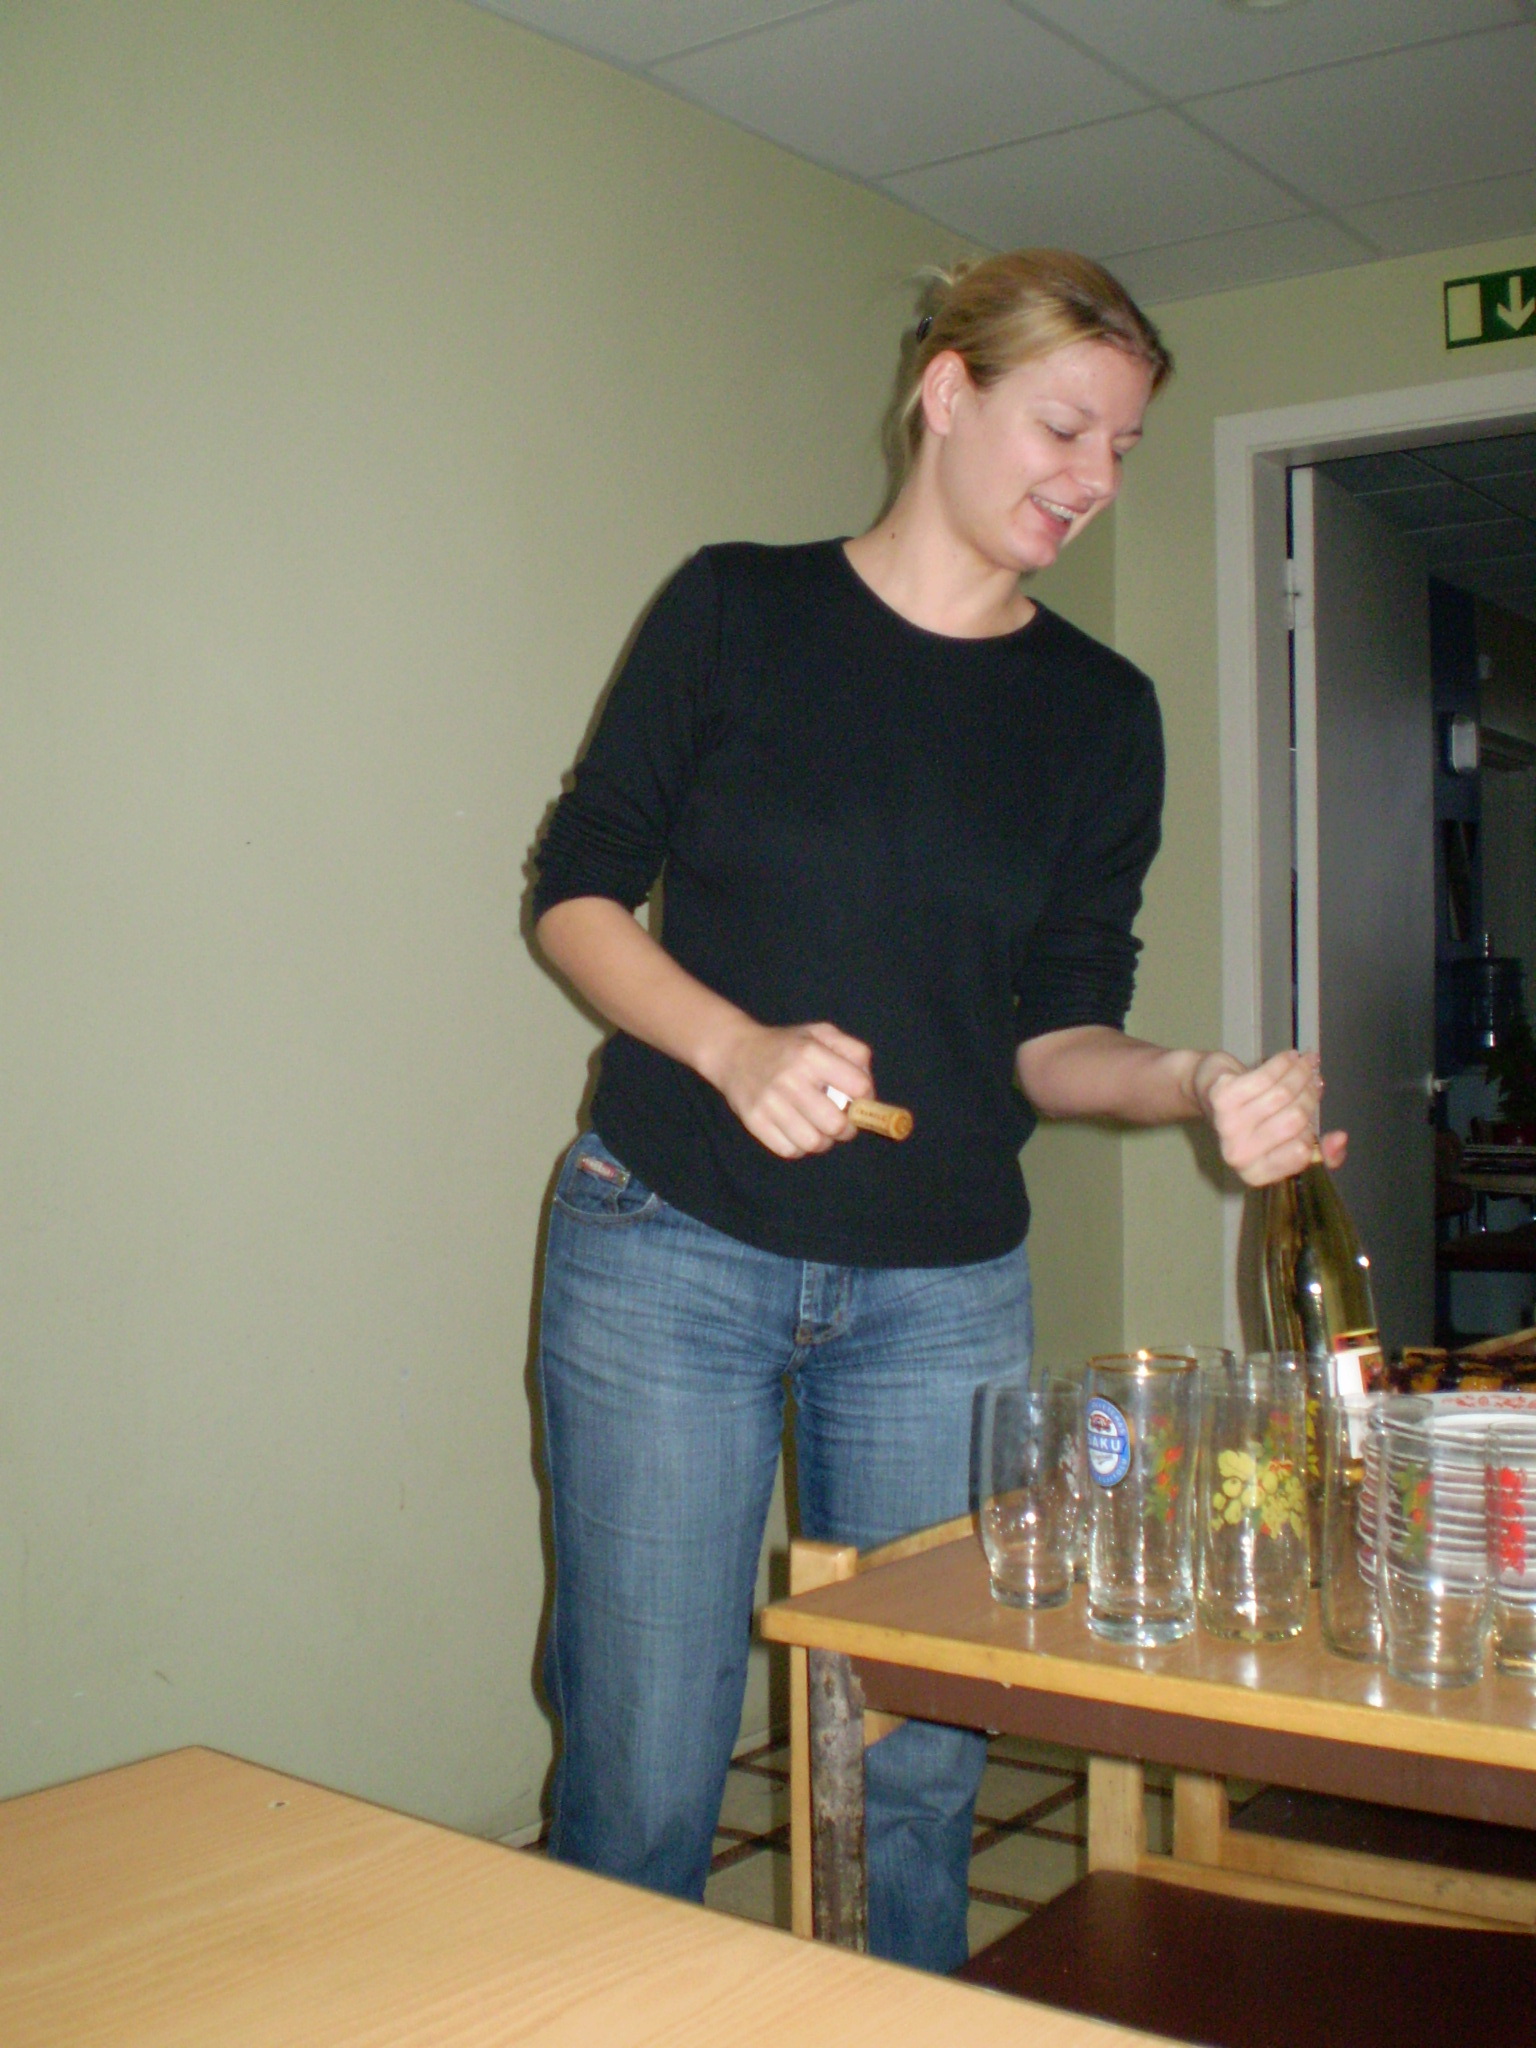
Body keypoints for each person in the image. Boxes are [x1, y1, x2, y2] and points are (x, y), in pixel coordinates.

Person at [529, 248, 1339, 1973]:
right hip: (664, 1245)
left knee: (921, 1773)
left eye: (1123, 448)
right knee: (648, 1768)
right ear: (947, 391)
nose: (1096, 479)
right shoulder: (737, 608)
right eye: (1067, 427)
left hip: (940, 1291)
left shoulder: (1101, 716)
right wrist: (733, 1048)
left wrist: (1194, 1083)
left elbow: (1059, 1031)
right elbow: (576, 889)